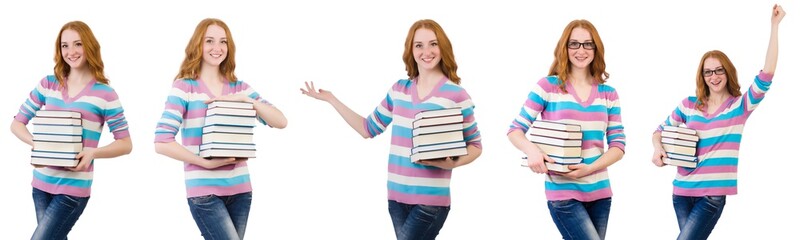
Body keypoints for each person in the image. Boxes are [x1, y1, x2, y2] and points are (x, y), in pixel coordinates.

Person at [300, 19, 482, 240]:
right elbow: (368, 128)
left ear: (442, 47)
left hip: (430, 201)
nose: (427, 51)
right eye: (419, 45)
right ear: (411, 51)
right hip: (395, 199)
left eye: (433, 44)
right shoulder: (399, 90)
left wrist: (451, 162)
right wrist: (331, 100)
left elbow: (475, 146)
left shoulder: (456, 95)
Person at [651, 5, 784, 240]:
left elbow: (767, 74)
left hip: (711, 197)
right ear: (702, 77)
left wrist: (774, 26)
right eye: (708, 72)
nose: (714, 76)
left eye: (718, 70)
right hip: (681, 192)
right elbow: (658, 131)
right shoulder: (689, 105)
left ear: (727, 72)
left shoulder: (739, 107)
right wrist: (658, 150)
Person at [154, 18, 287, 240]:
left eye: (223, 41)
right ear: (198, 45)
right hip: (204, 192)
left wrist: (247, 101)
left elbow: (281, 121)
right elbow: (161, 142)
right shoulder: (184, 87)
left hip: (241, 190)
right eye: (210, 41)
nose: (217, 48)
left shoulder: (240, 87)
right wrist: (204, 162)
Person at [9, 21, 133, 239]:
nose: (71, 51)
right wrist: (38, 143)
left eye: (78, 44)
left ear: (89, 47)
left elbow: (125, 143)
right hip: (40, 184)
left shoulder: (105, 94)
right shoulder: (48, 84)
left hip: (73, 188)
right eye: (65, 46)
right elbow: (17, 123)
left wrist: (94, 152)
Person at [507, 19, 625, 240]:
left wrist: (589, 169)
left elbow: (618, 146)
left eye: (588, 44)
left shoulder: (609, 93)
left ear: (596, 49)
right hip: (563, 192)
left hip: (600, 193)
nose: (581, 50)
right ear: (565, 48)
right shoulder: (548, 86)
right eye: (574, 44)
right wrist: (533, 152)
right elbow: (515, 130)